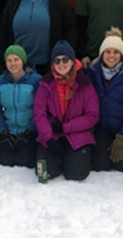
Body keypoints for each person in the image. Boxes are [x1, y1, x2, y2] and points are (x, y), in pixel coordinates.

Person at [34, 41, 99, 180]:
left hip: (76, 134)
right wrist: (48, 138)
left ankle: (71, 158)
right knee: (44, 173)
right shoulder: (46, 83)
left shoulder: (84, 83)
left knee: (77, 174)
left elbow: (92, 115)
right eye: (57, 60)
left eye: (65, 60)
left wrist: (66, 127)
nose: (61, 64)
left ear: (72, 61)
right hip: (52, 134)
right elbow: (39, 114)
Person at [0, 0, 76, 74]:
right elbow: (4, 31)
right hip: (17, 66)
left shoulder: (58, 1)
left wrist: (67, 57)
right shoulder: (15, 0)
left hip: (48, 66)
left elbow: (70, 30)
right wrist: (0, 61)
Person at [87, 29, 123, 172]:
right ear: (102, 54)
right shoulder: (93, 72)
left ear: (122, 55)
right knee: (100, 165)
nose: (111, 56)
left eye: (116, 52)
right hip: (102, 128)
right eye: (108, 52)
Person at [0, 45, 42, 168]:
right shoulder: (0, 81)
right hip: (9, 132)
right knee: (5, 163)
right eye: (9, 60)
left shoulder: (36, 80)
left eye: (16, 60)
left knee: (24, 163)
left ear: (23, 61)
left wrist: (29, 131)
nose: (12, 64)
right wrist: (2, 131)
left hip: (28, 133)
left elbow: (40, 110)